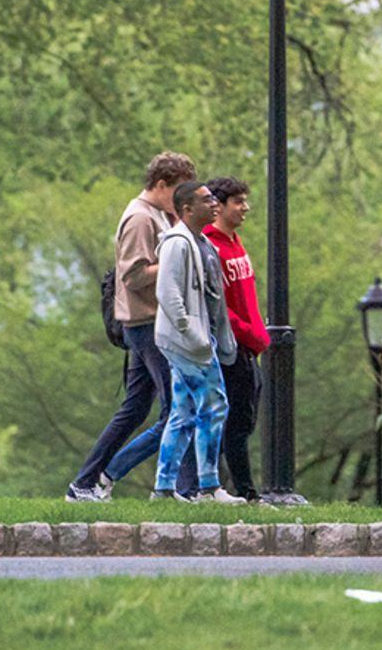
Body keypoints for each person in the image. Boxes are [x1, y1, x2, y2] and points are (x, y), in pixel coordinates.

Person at [67, 152, 190, 502]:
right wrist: (175, 258)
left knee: (135, 409)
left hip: (152, 320)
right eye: (178, 191)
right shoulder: (139, 218)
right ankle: (113, 476)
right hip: (147, 323)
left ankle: (85, 483)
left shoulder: (160, 215)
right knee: (177, 410)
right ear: (161, 184)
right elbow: (134, 275)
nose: (182, 201)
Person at [151, 180, 245, 504]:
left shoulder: (200, 241)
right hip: (188, 343)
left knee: (184, 411)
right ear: (188, 208)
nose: (214, 204)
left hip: (196, 341)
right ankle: (208, 487)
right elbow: (167, 292)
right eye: (207, 200)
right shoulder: (178, 243)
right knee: (215, 404)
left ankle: (164, 488)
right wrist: (193, 335)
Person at [203, 176, 270, 499]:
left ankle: (229, 489)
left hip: (249, 346)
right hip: (231, 348)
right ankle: (242, 492)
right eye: (238, 202)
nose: (246, 208)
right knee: (234, 424)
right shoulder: (210, 245)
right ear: (218, 206)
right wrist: (244, 333)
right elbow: (216, 305)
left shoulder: (235, 242)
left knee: (245, 419)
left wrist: (258, 335)